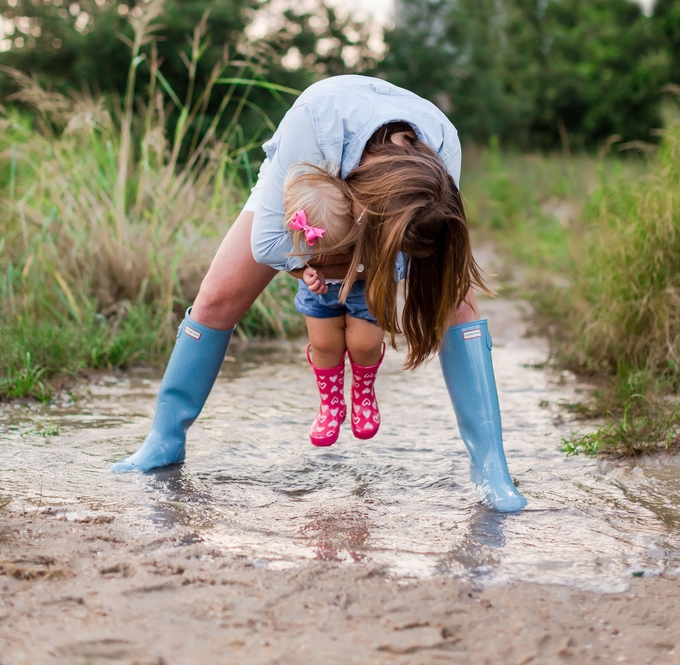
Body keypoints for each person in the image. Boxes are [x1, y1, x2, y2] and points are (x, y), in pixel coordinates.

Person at [111, 75, 526, 514]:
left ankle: (490, 467)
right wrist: (328, 264)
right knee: (217, 296)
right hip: (306, 181)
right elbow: (269, 244)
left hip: (396, 202)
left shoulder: (443, 146)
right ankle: (164, 440)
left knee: (458, 305)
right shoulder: (313, 123)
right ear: (362, 198)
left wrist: (386, 265)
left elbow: (430, 244)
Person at [282, 164, 386, 446]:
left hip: (365, 288)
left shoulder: (365, 220)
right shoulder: (296, 232)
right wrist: (303, 272)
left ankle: (363, 394)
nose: (335, 256)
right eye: (324, 251)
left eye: (341, 248)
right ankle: (331, 404)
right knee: (324, 346)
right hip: (319, 295)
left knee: (365, 344)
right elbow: (285, 257)